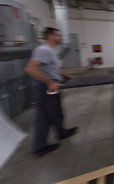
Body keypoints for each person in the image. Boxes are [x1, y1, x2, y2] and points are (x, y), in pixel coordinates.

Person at [24, 27, 78, 156]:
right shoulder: (43, 50)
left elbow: (49, 67)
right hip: (45, 86)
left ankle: (61, 133)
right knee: (45, 115)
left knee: (56, 111)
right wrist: (49, 82)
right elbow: (30, 69)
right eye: (58, 35)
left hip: (50, 83)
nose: (60, 38)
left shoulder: (51, 50)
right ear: (49, 36)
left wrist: (63, 74)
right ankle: (40, 146)